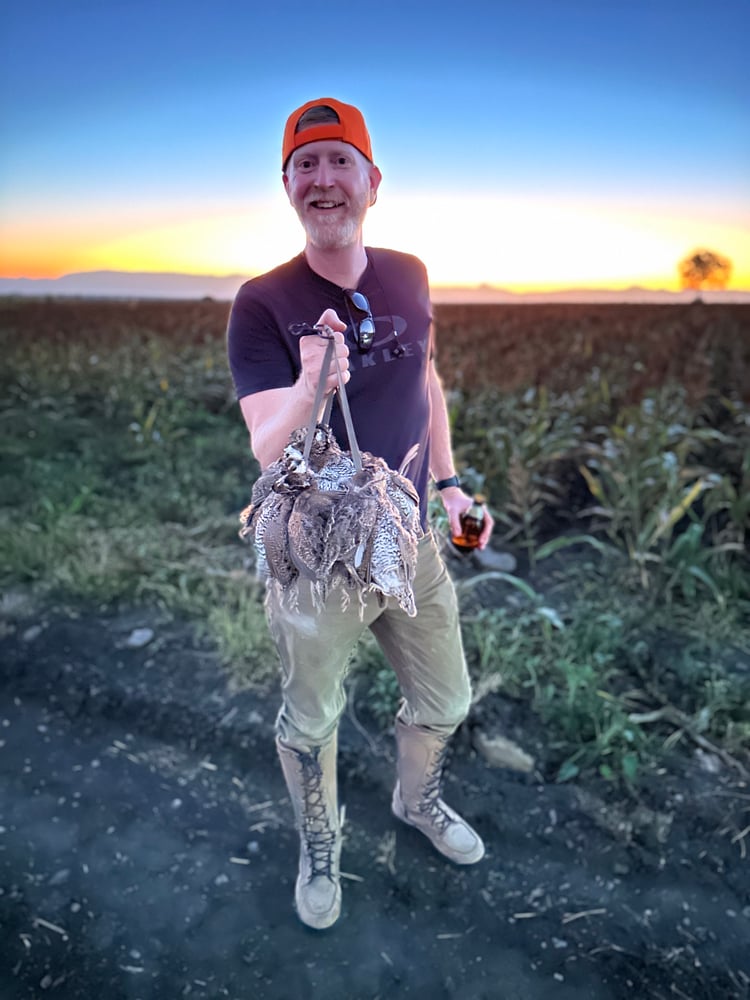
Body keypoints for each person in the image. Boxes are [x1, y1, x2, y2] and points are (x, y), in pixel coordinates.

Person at [226, 97, 494, 930]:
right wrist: (314, 384)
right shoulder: (264, 302)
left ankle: (417, 803)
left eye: (340, 160)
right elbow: (269, 447)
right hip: (319, 558)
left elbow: (428, 384)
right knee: (313, 716)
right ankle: (319, 839)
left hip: (410, 538)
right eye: (305, 165)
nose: (324, 178)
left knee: (447, 700)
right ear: (288, 188)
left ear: (373, 181)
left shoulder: (410, 275)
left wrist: (450, 487)